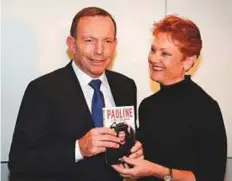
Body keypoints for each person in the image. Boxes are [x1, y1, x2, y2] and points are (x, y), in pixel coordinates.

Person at [8, 7, 143, 181]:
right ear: (72, 44)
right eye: (89, 40)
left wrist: (135, 151)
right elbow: (20, 162)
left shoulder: (125, 86)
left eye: (107, 41)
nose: (100, 50)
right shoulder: (43, 89)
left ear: (115, 45)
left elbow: (127, 138)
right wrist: (78, 149)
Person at [113, 15, 227, 181]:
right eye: (153, 50)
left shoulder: (205, 108)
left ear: (187, 62)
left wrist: (157, 171)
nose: (154, 58)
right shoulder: (147, 105)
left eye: (165, 53)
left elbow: (211, 177)